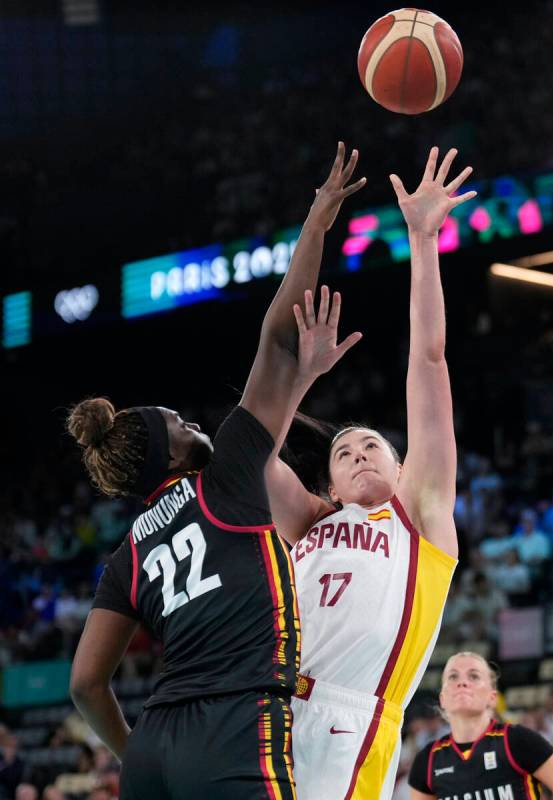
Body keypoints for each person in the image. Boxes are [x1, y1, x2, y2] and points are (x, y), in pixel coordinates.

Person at [67, 141, 366, 800]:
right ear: (170, 453)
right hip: (236, 723)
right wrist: (316, 223)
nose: (196, 425)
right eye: (181, 423)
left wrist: (134, 752)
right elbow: (280, 338)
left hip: (158, 752)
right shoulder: (224, 473)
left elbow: (85, 685)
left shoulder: (129, 554)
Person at [265, 147, 476, 799]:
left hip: (348, 724)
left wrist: (422, 241)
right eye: (344, 452)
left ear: (405, 466)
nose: (357, 453)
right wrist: (298, 380)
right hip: (263, 711)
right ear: (327, 486)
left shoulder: (420, 512)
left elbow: (430, 362)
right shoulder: (310, 521)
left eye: (371, 447)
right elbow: (254, 451)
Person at [408, 651, 553, 800]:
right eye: (453, 677)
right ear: (442, 699)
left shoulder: (519, 741)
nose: (462, 682)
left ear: (492, 697)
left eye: (474, 676)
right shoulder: (428, 760)